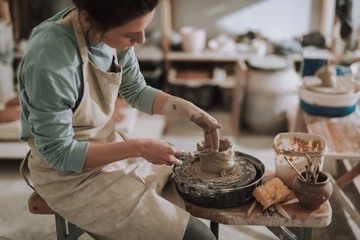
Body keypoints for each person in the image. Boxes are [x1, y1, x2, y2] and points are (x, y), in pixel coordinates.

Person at [18, 1, 220, 239]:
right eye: (130, 34)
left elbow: (135, 90)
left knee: (190, 188)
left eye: (144, 28)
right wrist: (139, 147)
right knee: (199, 237)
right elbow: (58, 153)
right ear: (89, 21)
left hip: (107, 145)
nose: (141, 40)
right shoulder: (50, 59)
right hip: (66, 176)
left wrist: (188, 109)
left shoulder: (113, 28)